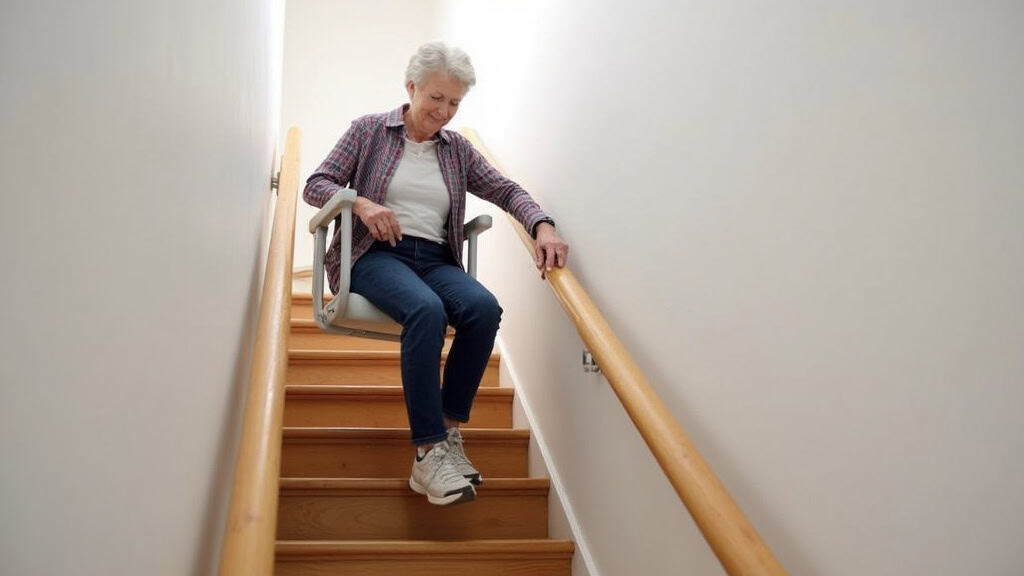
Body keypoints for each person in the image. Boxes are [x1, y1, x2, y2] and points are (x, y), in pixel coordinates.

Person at [303, 41, 569, 506]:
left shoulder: (457, 151)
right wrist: (360, 203)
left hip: (436, 258)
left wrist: (541, 224)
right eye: (436, 98)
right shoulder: (368, 131)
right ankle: (427, 453)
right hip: (375, 254)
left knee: (484, 309)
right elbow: (315, 184)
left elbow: (505, 190)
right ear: (411, 88)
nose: (444, 111)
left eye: (454, 103)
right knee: (426, 311)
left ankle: (447, 434)